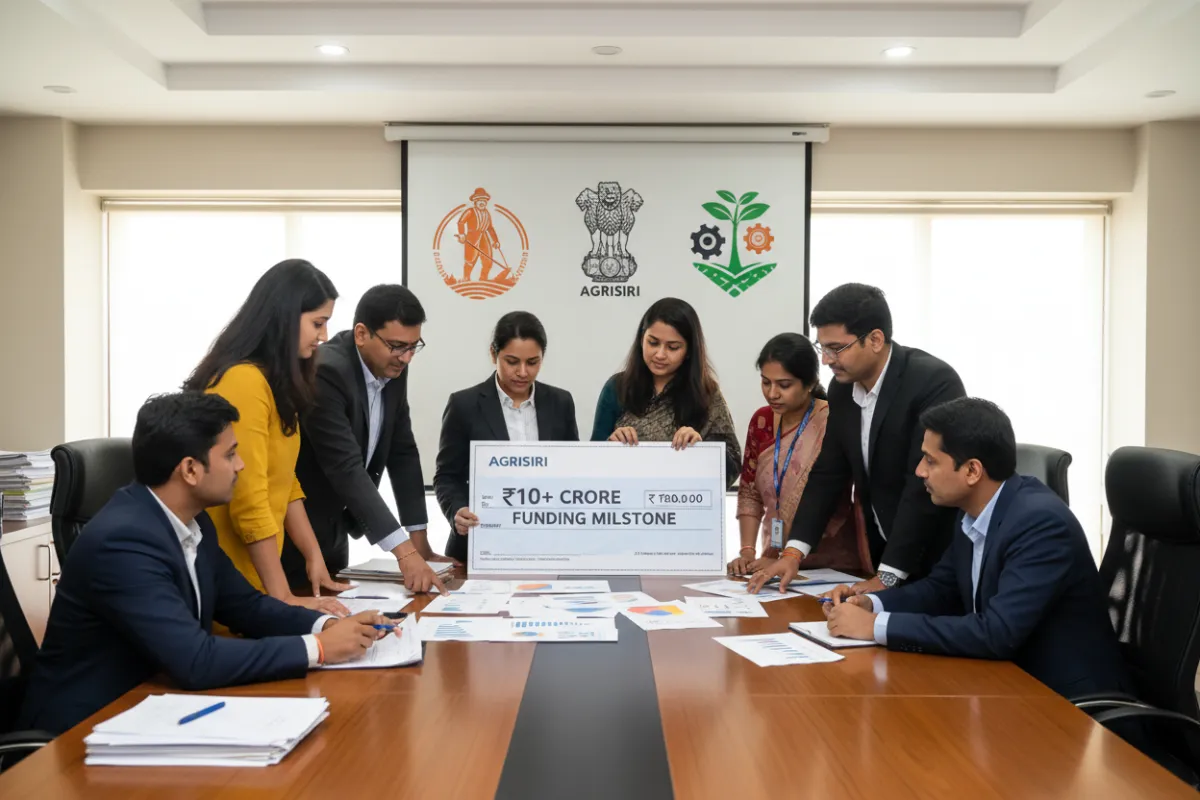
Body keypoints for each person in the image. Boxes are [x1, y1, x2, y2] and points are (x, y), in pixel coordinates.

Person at [18, 392, 395, 735]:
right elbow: (195, 661)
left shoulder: (193, 522)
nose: (241, 465)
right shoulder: (123, 542)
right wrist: (319, 648)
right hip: (81, 734)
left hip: (151, 708)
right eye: (230, 454)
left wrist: (330, 624)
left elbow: (245, 606)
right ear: (190, 470)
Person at [820, 397, 1130, 700]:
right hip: (1004, 684)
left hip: (1065, 704)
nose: (919, 472)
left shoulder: (1041, 524)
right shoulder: (974, 511)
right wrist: (872, 604)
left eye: (930, 460)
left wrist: (876, 627)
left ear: (972, 471)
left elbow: (997, 634)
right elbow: (941, 589)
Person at [748, 283, 965, 595]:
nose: (825, 360)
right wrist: (793, 553)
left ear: (875, 340)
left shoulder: (932, 383)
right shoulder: (842, 390)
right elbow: (828, 473)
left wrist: (889, 575)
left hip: (935, 558)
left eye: (836, 348)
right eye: (822, 347)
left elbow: (921, 486)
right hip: (881, 554)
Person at [183, 259, 348, 614]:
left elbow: (285, 482)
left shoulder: (274, 383)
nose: (324, 336)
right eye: (317, 323)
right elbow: (248, 494)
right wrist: (281, 597)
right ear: (285, 318)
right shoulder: (243, 381)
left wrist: (313, 558)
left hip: (262, 576)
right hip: (237, 578)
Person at [288, 284, 447, 594]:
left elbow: (402, 452)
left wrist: (420, 540)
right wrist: (404, 552)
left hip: (338, 527)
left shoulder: (393, 366)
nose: (407, 358)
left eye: (414, 346)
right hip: (298, 531)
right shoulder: (326, 372)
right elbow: (345, 466)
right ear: (361, 334)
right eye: (398, 346)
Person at [434, 311, 579, 563]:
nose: (522, 372)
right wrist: (456, 510)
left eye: (532, 362)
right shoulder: (464, 404)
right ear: (493, 354)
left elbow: (571, 470)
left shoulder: (561, 402)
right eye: (512, 361)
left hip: (547, 544)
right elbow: (446, 476)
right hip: (479, 543)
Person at [729, 334, 867, 577]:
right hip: (771, 561)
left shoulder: (833, 420)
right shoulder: (761, 421)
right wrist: (747, 553)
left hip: (830, 564)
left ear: (810, 382)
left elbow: (834, 494)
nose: (772, 394)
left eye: (784, 385)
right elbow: (749, 491)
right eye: (765, 382)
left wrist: (790, 555)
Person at [590, 297, 742, 482]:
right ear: (641, 339)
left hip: (684, 503)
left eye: (673, 347)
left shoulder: (706, 393)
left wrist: (703, 450)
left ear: (689, 350)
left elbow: (732, 466)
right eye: (653, 343)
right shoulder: (618, 387)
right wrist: (611, 445)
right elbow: (592, 462)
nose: (660, 354)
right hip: (625, 502)